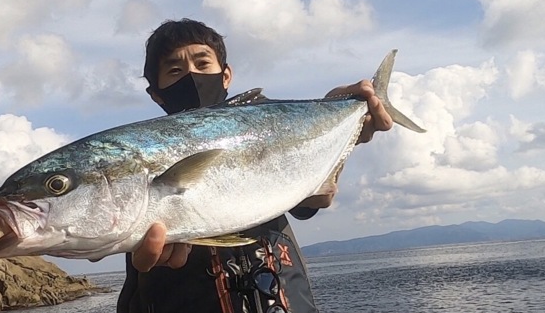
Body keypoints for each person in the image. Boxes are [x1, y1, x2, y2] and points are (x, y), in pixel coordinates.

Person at [116, 18, 393, 313]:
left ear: (226, 76)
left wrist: (336, 123)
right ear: (156, 93)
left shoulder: (267, 125)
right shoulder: (144, 150)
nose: (191, 76)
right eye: (175, 70)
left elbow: (312, 199)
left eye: (202, 63)